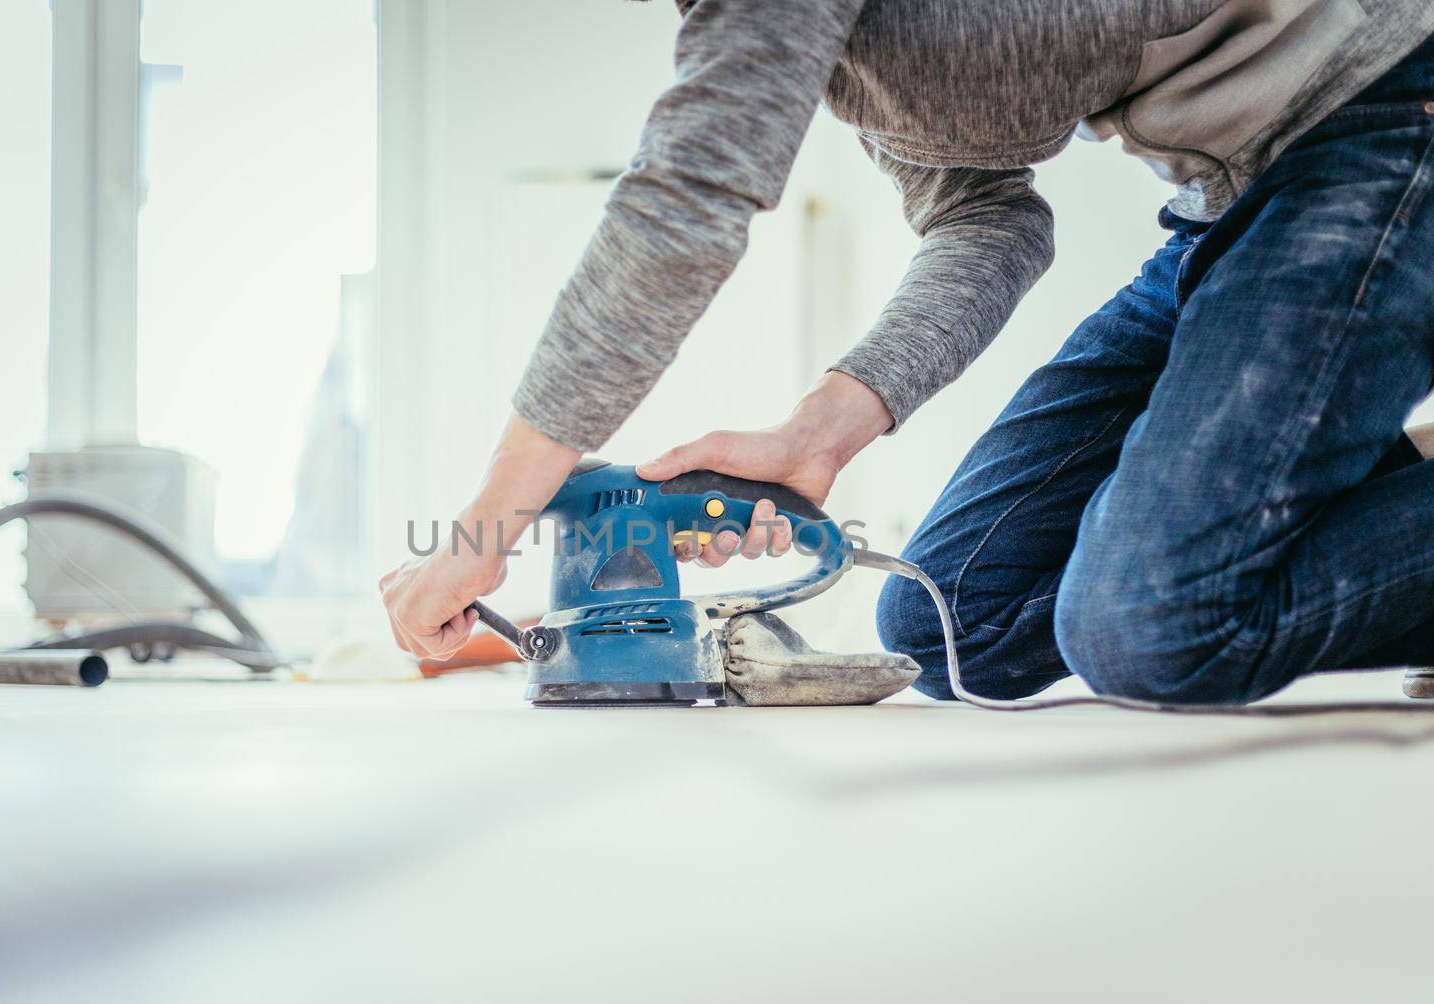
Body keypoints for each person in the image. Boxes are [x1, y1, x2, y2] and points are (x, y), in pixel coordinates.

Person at [380, 0, 1434, 704]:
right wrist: (819, 432)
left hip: (1388, 118)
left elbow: (685, 203)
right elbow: (989, 219)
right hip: (1230, 200)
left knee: (1156, 627)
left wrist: (491, 521)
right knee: (950, 627)